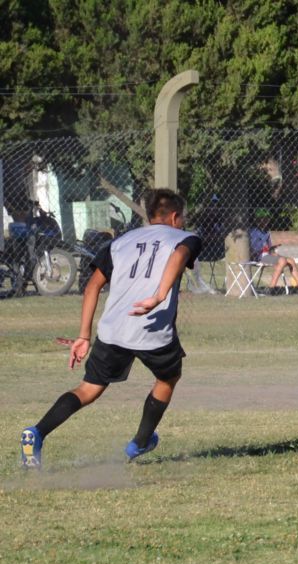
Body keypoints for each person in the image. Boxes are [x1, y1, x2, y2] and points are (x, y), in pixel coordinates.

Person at [19, 189, 202, 468]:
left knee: (88, 389)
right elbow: (179, 256)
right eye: (183, 217)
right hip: (151, 329)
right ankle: (139, 443)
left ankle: (37, 432)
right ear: (175, 217)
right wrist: (159, 295)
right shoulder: (184, 237)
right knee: (168, 379)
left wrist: (83, 336)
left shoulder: (121, 241)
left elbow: (92, 286)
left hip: (113, 328)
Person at [248, 208, 298, 294]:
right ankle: (271, 288)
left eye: (267, 218)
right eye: (263, 219)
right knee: (282, 261)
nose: (265, 221)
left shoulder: (266, 231)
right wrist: (265, 250)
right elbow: (253, 249)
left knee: (291, 261)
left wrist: (273, 249)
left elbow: (269, 249)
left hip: (266, 256)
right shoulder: (253, 232)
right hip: (257, 257)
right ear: (257, 219)